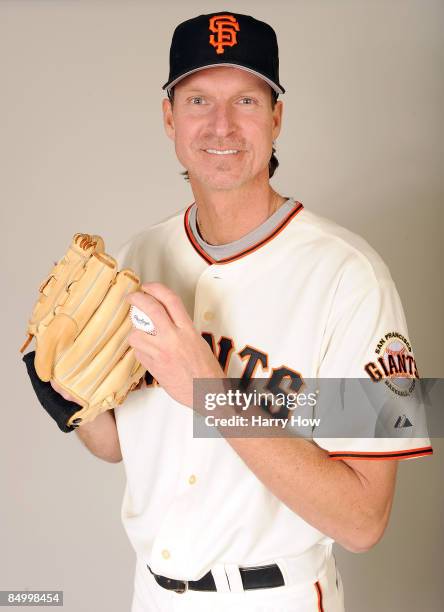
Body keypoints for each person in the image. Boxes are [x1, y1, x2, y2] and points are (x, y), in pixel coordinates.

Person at [51, 11, 433, 612]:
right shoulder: (135, 258)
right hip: (150, 594)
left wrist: (209, 390)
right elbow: (121, 444)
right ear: (169, 118)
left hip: (276, 597)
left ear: (276, 117)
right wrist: (69, 400)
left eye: (247, 100)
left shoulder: (352, 277)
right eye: (198, 98)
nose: (221, 124)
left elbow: (363, 520)